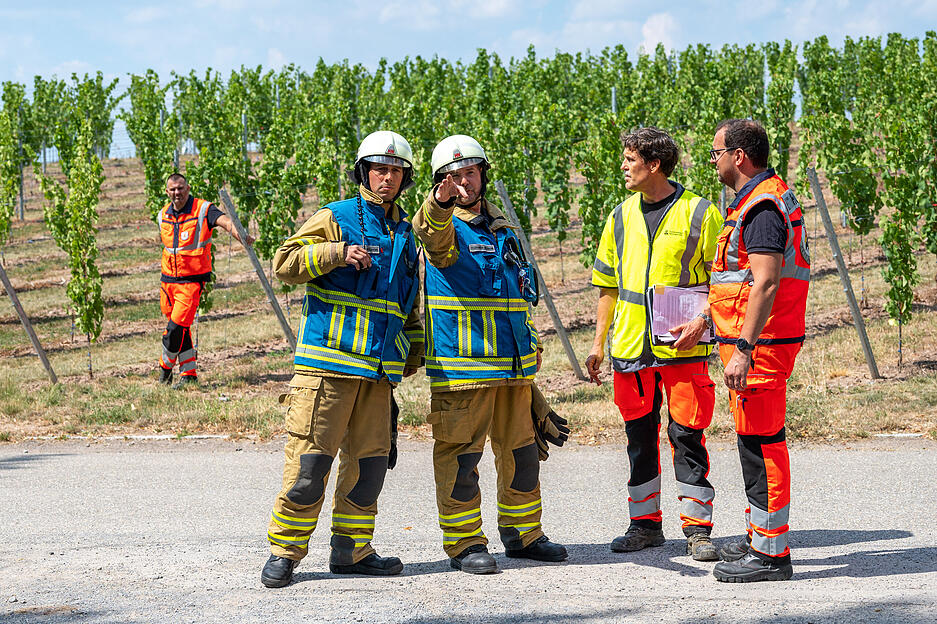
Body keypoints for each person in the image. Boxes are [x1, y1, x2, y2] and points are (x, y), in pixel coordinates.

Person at [260, 131, 424, 588]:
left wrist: (413, 349)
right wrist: (334, 253)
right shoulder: (336, 217)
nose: (386, 177)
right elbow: (284, 262)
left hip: (378, 373)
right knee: (310, 465)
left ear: (404, 177)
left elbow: (407, 301)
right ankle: (285, 552)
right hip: (328, 366)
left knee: (370, 466)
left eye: (395, 171)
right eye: (378, 169)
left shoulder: (406, 234)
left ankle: (352, 550)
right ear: (363, 172)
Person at [412, 134, 568, 575]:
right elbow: (429, 230)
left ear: (483, 174)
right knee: (462, 458)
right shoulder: (444, 227)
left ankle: (524, 534)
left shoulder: (502, 229)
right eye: (453, 177)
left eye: (470, 173)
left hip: (512, 366)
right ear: (441, 184)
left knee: (520, 455)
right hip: (463, 368)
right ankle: (464, 544)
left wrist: (529, 346)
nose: (464, 182)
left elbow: (517, 294)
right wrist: (439, 203)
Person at [584, 127, 724, 561]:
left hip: (682, 348)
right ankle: (644, 525)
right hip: (630, 349)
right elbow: (607, 284)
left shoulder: (700, 213)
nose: (623, 167)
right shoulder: (619, 215)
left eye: (629, 159)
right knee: (638, 437)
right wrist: (598, 342)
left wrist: (703, 321)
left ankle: (698, 530)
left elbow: (723, 282)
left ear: (654, 164)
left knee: (687, 435)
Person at [707, 119, 810, 582]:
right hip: (753, 344)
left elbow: (766, 283)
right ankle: (758, 538)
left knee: (761, 445)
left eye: (717, 152)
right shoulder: (756, 199)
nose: (714, 160)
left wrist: (744, 348)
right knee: (754, 440)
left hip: (761, 348)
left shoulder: (762, 207)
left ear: (739, 156)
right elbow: (740, 283)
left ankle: (771, 556)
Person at [157, 173, 254, 388]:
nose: (177, 193)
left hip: (191, 282)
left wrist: (243, 236)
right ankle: (189, 374)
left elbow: (226, 223)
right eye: (172, 189)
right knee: (181, 328)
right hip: (167, 283)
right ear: (167, 192)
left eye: (181, 188)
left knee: (174, 330)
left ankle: (165, 370)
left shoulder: (203, 210)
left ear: (188, 188)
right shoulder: (162, 214)